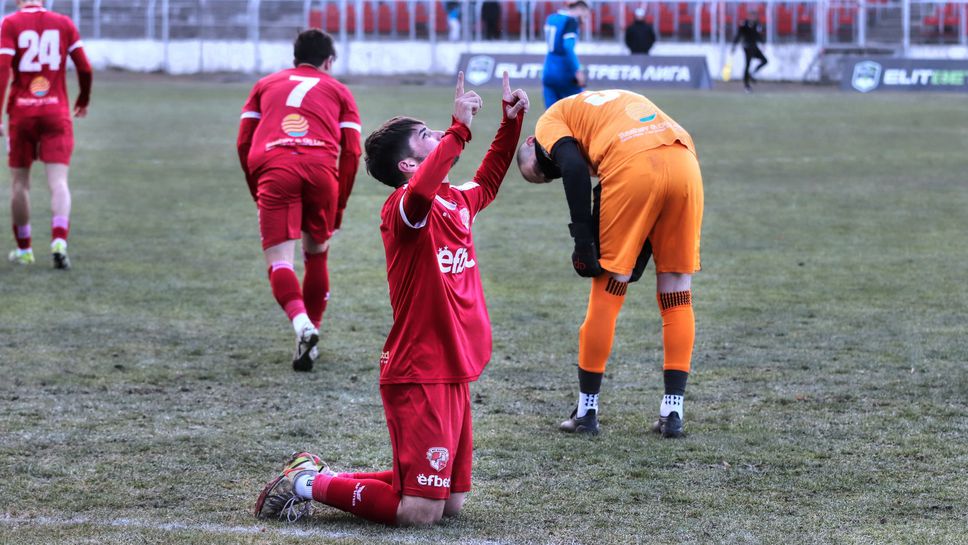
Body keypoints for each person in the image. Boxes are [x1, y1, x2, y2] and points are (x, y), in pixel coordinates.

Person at [253, 72, 528, 527]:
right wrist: (459, 130)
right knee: (419, 513)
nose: (438, 134)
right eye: (426, 135)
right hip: (418, 369)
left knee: (452, 501)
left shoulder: (454, 200)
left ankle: (316, 472)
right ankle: (307, 483)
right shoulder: (403, 207)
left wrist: (510, 123)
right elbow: (422, 191)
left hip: (452, 366)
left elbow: (490, 179)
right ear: (406, 165)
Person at [516, 89, 703, 438]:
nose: (551, 170)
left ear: (535, 143)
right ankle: (673, 411)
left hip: (631, 166)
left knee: (608, 287)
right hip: (684, 161)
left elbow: (571, 166)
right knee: (677, 289)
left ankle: (587, 411)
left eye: (542, 168)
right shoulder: (596, 105)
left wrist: (582, 238)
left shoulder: (548, 122)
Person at [236, 29, 361, 372]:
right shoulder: (338, 90)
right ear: (329, 61)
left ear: (295, 58)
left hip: (274, 169)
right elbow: (351, 151)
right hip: (321, 170)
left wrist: (256, 188)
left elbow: (244, 143)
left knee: (280, 261)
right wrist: (340, 204)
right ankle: (312, 332)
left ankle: (300, 324)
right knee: (316, 251)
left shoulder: (264, 84)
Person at [1, 0, 92, 269]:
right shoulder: (63, 23)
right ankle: (59, 241)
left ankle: (25, 249)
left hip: (22, 114)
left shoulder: (10, 23)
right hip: (56, 111)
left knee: (19, 183)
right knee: (59, 182)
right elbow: (85, 68)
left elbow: (2, 70)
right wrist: (83, 99)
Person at [541, 1, 590, 108]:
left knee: (552, 115)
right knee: (578, 111)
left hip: (548, 69)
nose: (584, 21)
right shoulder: (571, 21)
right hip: (564, 71)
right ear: (579, 9)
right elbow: (568, 47)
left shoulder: (551, 18)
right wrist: (577, 69)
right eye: (585, 16)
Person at [731, 9, 768, 92]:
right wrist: (734, 46)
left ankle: (753, 74)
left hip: (754, 47)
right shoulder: (744, 24)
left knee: (765, 61)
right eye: (752, 16)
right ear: (749, 16)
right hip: (747, 47)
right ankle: (746, 86)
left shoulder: (757, 24)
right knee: (747, 65)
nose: (753, 17)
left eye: (755, 16)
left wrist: (762, 43)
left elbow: (758, 35)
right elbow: (738, 35)